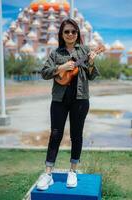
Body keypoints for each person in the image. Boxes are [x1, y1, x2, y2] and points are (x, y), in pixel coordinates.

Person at [36, 18, 100, 190]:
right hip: (59, 100)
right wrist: (61, 68)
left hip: (80, 100)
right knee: (55, 134)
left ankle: (73, 171)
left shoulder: (85, 51)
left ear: (78, 33)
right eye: (67, 31)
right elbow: (44, 73)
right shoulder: (56, 53)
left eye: (73, 31)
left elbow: (93, 76)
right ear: (62, 34)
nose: (70, 34)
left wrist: (91, 63)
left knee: (76, 135)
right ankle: (48, 173)